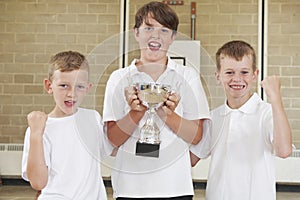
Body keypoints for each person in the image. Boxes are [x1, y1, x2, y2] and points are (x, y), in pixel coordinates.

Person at [102, 1, 210, 199]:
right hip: (130, 187)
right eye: (149, 28)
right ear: (136, 33)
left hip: (175, 186)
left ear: (173, 37)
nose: (155, 36)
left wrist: (166, 113)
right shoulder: (119, 79)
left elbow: (197, 136)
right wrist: (136, 112)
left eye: (164, 30)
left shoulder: (188, 77)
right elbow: (112, 139)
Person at [190, 40, 293, 200]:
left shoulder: (267, 113)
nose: (237, 79)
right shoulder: (213, 117)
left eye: (244, 72)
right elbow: (191, 158)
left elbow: (284, 151)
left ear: (255, 75)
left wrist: (276, 100)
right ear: (218, 76)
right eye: (229, 72)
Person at [21, 51, 113, 200]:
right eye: (64, 86)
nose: (72, 94)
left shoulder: (93, 118)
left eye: (79, 87)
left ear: (88, 88)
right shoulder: (40, 128)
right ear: (49, 86)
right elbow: (38, 182)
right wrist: (36, 134)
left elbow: (111, 149)